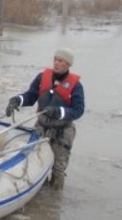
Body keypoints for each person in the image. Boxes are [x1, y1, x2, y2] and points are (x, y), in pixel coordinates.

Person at [5, 48, 85, 190]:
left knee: (58, 169)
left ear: (68, 64)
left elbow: (78, 111)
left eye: (60, 60)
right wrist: (17, 100)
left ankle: (54, 201)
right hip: (41, 127)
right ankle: (35, 194)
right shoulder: (42, 77)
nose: (56, 63)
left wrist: (58, 111)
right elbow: (30, 96)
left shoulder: (76, 86)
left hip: (62, 131)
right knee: (34, 161)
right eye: (55, 59)